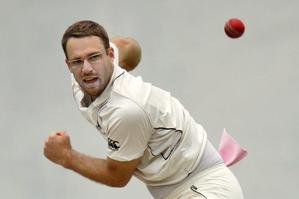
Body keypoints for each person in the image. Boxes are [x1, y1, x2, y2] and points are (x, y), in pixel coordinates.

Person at [43, 20, 244, 199]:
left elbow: (117, 176)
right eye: (78, 61)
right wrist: (117, 65)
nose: (86, 68)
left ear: (110, 55)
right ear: (68, 64)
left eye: (94, 57)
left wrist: (66, 156)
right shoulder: (84, 76)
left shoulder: (127, 111)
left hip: (207, 189)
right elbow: (130, 47)